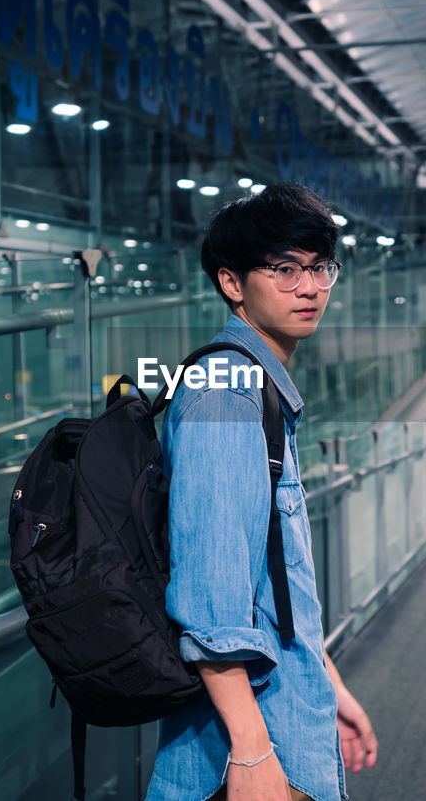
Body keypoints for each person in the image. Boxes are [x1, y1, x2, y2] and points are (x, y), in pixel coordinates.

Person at [146, 185, 377, 801]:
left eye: (319, 268)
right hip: (248, 749)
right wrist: (251, 754)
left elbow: (273, 587)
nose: (310, 288)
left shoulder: (258, 391)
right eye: (284, 270)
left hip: (284, 719)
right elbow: (211, 602)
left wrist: (330, 690)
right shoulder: (227, 395)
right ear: (231, 282)